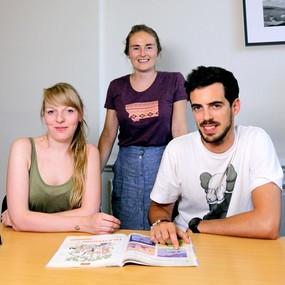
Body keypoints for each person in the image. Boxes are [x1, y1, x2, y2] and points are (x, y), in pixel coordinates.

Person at [149, 66, 283, 248]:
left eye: (215, 106)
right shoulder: (177, 148)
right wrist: (162, 223)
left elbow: (267, 224)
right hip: (187, 246)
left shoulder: (256, 140)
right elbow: (159, 208)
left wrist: (199, 226)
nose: (206, 117)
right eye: (197, 108)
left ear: (235, 106)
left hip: (241, 247)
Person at [98, 24, 188, 230]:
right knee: (128, 232)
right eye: (135, 47)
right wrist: (92, 175)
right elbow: (108, 134)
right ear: (128, 53)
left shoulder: (174, 80)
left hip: (163, 163)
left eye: (149, 46)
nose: (142, 53)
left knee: (164, 229)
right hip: (126, 167)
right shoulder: (116, 86)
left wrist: (185, 172)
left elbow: (179, 131)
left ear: (158, 50)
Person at [1, 82, 120, 233]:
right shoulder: (22, 147)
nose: (59, 119)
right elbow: (21, 220)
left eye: (69, 111)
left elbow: (90, 212)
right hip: (25, 242)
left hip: (70, 243)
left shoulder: (90, 153)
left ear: (80, 114)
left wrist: (28, 220)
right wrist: (83, 223)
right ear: (44, 116)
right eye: (51, 111)